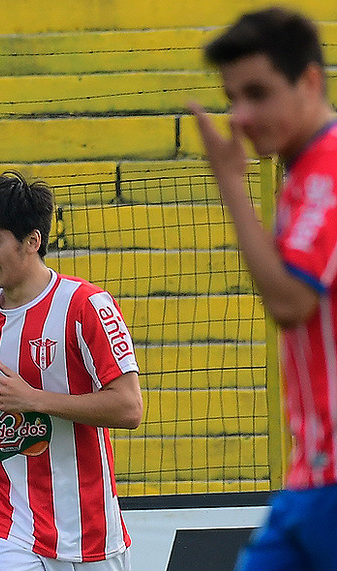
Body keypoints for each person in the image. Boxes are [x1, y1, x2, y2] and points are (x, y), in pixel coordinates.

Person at [189, 7, 337, 570]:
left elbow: (290, 300)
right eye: (232, 98)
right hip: (313, 475)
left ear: (309, 81)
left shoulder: (329, 167)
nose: (242, 116)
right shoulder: (304, 169)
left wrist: (230, 181)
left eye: (258, 93)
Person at [0, 172, 142, 570]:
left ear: (32, 241)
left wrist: (35, 400)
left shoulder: (86, 305)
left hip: (88, 529)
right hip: (5, 521)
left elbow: (128, 408)